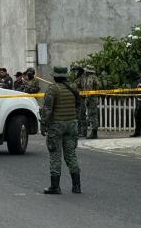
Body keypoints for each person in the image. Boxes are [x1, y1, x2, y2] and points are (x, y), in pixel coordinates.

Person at [41, 66, 81, 195]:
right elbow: (78, 106)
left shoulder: (53, 89)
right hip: (72, 124)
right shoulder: (73, 88)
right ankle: (76, 186)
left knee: (55, 154)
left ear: (55, 76)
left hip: (57, 126)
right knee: (71, 155)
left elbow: (47, 110)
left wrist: (44, 125)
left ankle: (55, 186)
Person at [82, 66, 101, 139]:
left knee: (92, 116)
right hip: (94, 98)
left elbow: (89, 90)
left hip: (91, 99)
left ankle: (94, 133)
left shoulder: (90, 78)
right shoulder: (95, 77)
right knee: (93, 115)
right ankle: (94, 132)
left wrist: (87, 100)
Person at [71, 66, 87, 138]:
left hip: (81, 99)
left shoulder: (82, 79)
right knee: (77, 116)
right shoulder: (77, 79)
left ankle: (83, 132)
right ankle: (79, 131)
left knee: (81, 116)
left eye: (76, 71)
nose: (75, 73)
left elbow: (84, 89)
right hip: (76, 99)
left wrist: (77, 90)